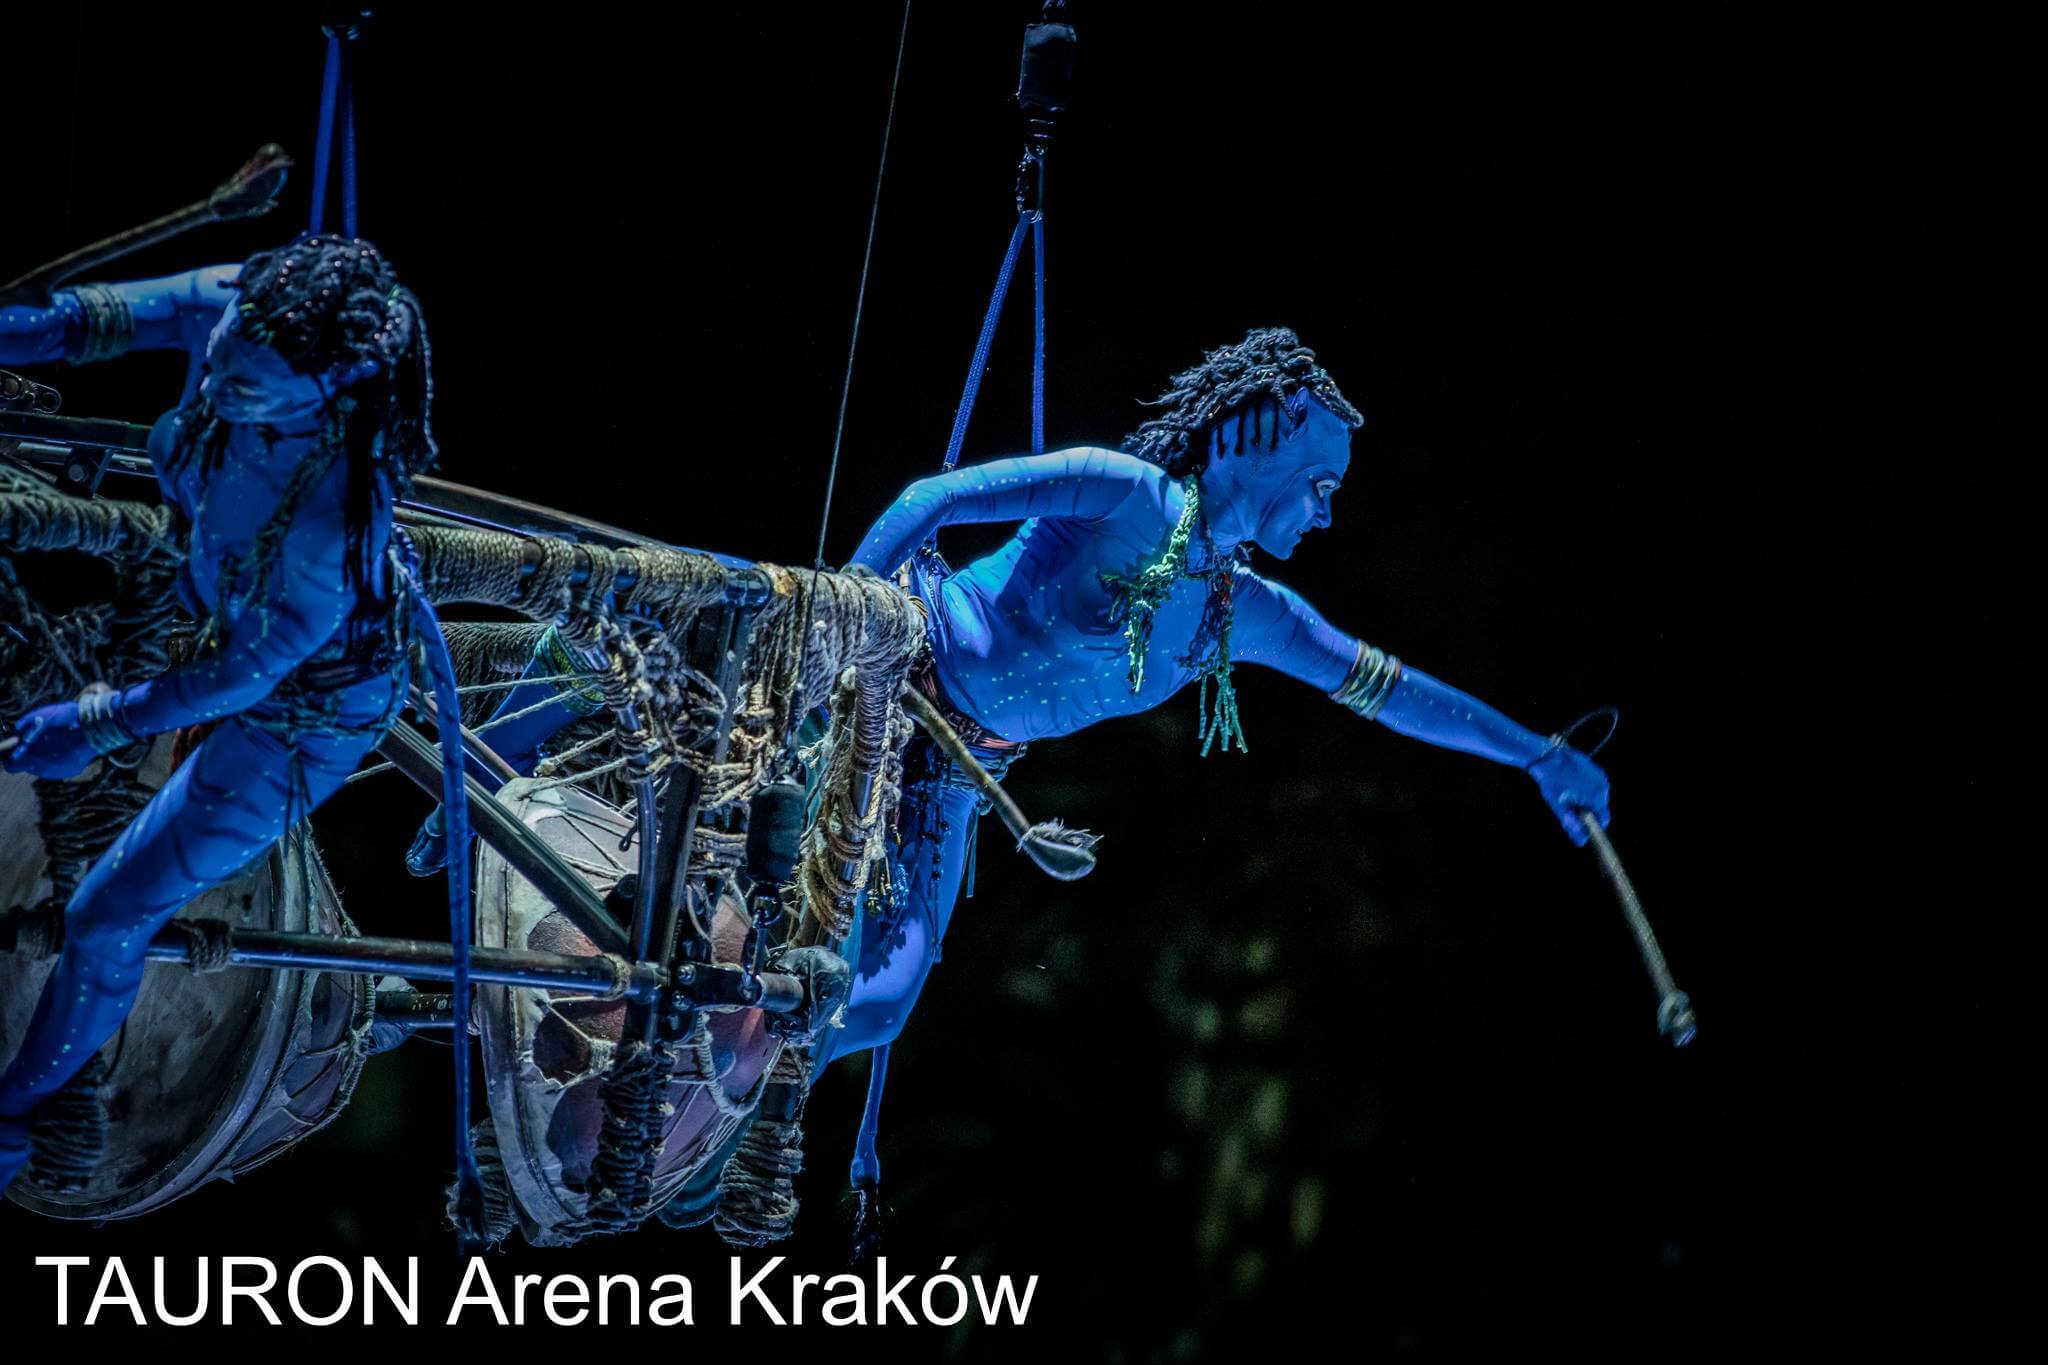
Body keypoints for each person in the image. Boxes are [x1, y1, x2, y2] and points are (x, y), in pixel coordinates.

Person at [817, 326, 1612, 1066]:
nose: (1327, 514)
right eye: (1322, 485)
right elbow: (932, 498)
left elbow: (1389, 688)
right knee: (814, 923)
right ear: (1267, 436)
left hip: (958, 770)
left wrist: (1537, 755)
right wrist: (838, 626)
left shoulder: (1240, 609)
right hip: (890, 673)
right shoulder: (1128, 493)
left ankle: (753, 1097)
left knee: (877, 1006)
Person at [0, 236, 435, 1192]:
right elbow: (72, 324)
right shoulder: (238, 305)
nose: (225, 375)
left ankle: (17, 1110)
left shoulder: (328, 535)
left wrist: (95, 722)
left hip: (305, 714)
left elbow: (234, 680)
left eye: (256, 386)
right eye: (227, 349)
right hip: (216, 605)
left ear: (332, 390)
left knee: (107, 914)